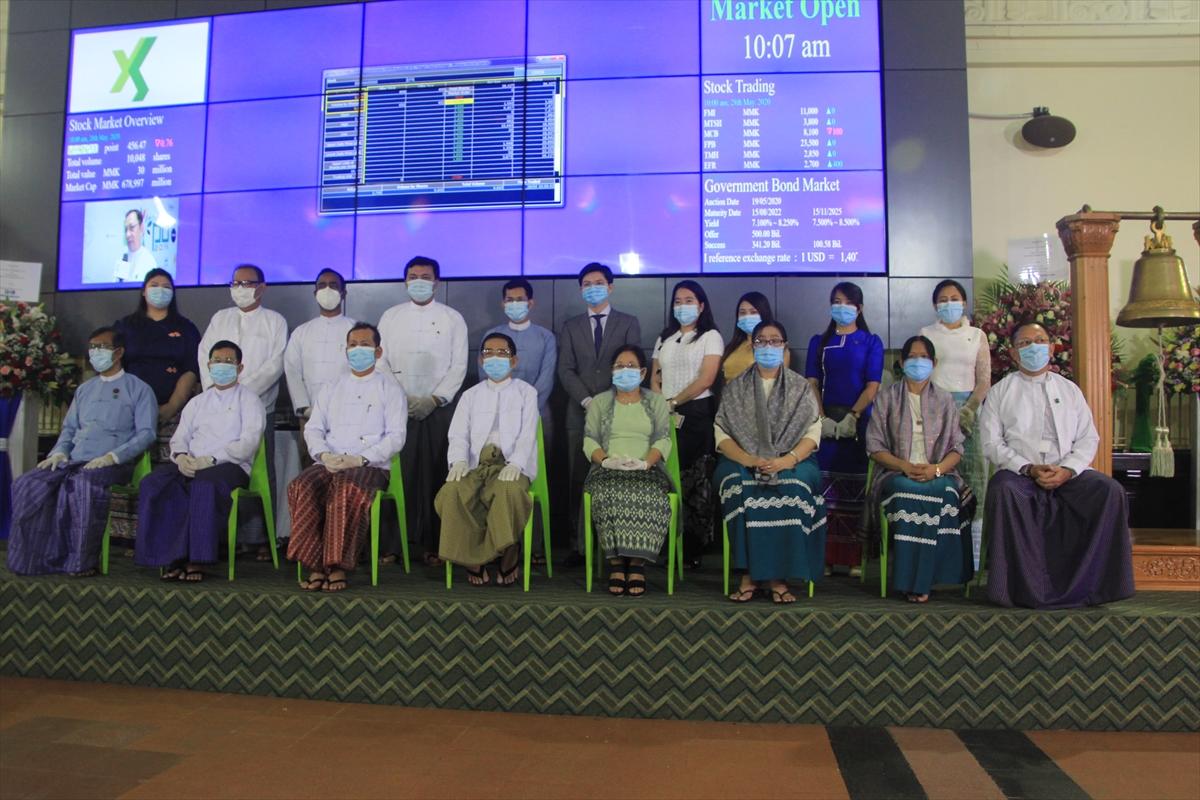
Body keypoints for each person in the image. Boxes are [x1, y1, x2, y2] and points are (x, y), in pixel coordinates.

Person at [978, 321, 1134, 609]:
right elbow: (990, 443)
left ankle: (1095, 587)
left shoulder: (1070, 390)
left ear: (1051, 348)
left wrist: (1068, 469)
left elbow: (1088, 437)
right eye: (1025, 343)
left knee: (1109, 491)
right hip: (1021, 474)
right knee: (1004, 492)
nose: (1033, 347)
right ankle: (1017, 590)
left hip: (1068, 473)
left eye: (1040, 341)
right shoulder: (1000, 392)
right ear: (1013, 353)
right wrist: (1028, 468)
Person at [6, 327, 156, 576]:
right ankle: (33, 560)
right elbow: (69, 429)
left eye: (102, 347)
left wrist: (113, 457)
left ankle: (80, 562)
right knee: (28, 483)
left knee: (81, 485)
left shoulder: (138, 389)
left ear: (119, 352)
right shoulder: (84, 389)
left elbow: (147, 433)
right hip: (74, 460)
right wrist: (58, 453)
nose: (96, 352)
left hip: (113, 464)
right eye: (92, 347)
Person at [287, 323, 408, 592]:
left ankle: (337, 567)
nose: (357, 350)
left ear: (378, 352)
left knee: (345, 489)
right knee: (301, 486)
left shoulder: (390, 389)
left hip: (369, 466)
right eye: (353, 345)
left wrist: (360, 459)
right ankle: (315, 564)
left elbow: (396, 437)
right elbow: (314, 428)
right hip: (329, 461)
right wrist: (323, 454)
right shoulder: (332, 386)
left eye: (365, 345)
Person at [134, 341, 265, 582]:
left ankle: (197, 560)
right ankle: (168, 557)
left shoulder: (249, 400)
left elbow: (249, 442)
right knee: (154, 484)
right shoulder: (197, 402)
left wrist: (212, 459)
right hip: (191, 463)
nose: (222, 366)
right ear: (208, 365)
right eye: (217, 361)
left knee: (203, 486)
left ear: (240, 367)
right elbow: (179, 438)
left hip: (230, 465)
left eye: (228, 362)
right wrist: (181, 457)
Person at [715, 321, 825, 604]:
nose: (768, 346)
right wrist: (749, 459)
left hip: (793, 459)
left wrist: (787, 460)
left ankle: (779, 577)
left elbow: (813, 432)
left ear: (784, 346)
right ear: (752, 346)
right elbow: (722, 433)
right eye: (761, 340)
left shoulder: (800, 387)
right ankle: (748, 575)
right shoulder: (735, 388)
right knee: (738, 486)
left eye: (775, 340)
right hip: (742, 459)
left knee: (794, 485)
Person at [865, 335, 975, 603]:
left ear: (934, 363)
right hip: (895, 473)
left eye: (924, 357)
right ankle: (914, 581)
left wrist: (936, 470)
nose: (918, 362)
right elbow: (874, 446)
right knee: (907, 492)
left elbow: (956, 448)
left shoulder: (945, 400)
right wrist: (903, 465)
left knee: (946, 493)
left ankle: (925, 579)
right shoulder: (887, 397)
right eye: (912, 357)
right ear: (902, 362)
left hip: (937, 472)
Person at [378, 255, 468, 566]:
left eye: (426, 277)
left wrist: (435, 398)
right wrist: (402, 398)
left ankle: (436, 545)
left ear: (437, 282)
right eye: (413, 276)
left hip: (439, 408)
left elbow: (459, 364)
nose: (419, 281)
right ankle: (392, 545)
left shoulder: (453, 318)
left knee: (438, 475)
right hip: (398, 407)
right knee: (397, 476)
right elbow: (381, 360)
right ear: (405, 281)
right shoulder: (390, 316)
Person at [197, 263, 287, 560]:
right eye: (236, 283)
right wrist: (218, 390)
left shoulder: (274, 321)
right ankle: (225, 537)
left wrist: (241, 393)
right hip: (218, 410)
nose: (241, 289)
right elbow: (205, 355)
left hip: (258, 408)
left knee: (261, 473)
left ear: (262, 287)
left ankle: (261, 538)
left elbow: (275, 364)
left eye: (247, 283)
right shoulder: (220, 318)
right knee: (218, 469)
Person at [106, 269, 202, 542]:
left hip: (172, 412)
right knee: (128, 467)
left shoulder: (186, 328)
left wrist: (171, 406)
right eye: (154, 284)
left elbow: (190, 370)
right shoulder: (125, 326)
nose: (160, 290)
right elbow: (114, 367)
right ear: (143, 291)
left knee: (167, 472)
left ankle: (164, 535)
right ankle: (126, 537)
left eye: (166, 286)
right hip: (129, 412)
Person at [435, 333, 539, 586]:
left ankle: (509, 549)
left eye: (502, 353)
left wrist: (516, 463)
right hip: (476, 464)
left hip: (510, 463)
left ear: (513, 361)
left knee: (508, 491)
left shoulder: (526, 392)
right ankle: (471, 556)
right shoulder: (470, 395)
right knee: (452, 492)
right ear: (481, 360)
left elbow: (528, 434)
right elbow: (458, 435)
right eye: (488, 353)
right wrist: (459, 461)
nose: (494, 358)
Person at [557, 262, 642, 566]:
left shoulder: (628, 322)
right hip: (578, 414)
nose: (592, 288)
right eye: (587, 284)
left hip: (619, 413)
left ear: (610, 287)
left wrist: (607, 401)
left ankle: (615, 545)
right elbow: (565, 369)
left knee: (614, 477)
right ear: (581, 289)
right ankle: (579, 546)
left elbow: (632, 364)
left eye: (598, 283)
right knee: (577, 479)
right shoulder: (571, 326)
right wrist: (586, 400)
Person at [805, 282, 883, 576]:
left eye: (848, 302)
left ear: (859, 308)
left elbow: (872, 385)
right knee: (825, 490)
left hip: (857, 424)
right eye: (836, 301)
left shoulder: (870, 342)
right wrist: (821, 417)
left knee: (855, 489)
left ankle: (853, 558)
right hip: (825, 424)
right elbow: (812, 382)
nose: (841, 307)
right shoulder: (819, 341)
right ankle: (825, 556)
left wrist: (854, 415)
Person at [583, 345, 673, 597]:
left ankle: (636, 564)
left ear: (643, 372)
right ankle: (615, 563)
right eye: (619, 366)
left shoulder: (656, 402)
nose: (625, 370)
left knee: (653, 497)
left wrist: (646, 463)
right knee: (606, 493)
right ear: (612, 371)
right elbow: (589, 440)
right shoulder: (600, 402)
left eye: (631, 366)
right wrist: (606, 461)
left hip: (647, 470)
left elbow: (663, 438)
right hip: (607, 470)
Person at [919, 279, 990, 565]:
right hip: (934, 410)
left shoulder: (977, 335)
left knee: (974, 479)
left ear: (964, 302)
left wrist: (969, 410)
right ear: (935, 305)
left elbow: (983, 379)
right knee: (938, 477)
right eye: (943, 299)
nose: (949, 304)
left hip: (969, 414)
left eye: (955, 298)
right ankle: (938, 554)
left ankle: (974, 556)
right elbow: (921, 374)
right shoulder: (926, 334)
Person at [652, 279, 723, 565]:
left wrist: (674, 402)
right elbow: (655, 376)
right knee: (665, 477)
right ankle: (664, 542)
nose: (683, 306)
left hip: (696, 414)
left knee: (695, 482)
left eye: (689, 301)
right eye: (678, 301)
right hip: (664, 414)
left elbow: (706, 378)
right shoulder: (665, 337)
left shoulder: (710, 336)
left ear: (701, 305)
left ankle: (693, 549)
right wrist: (662, 404)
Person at [283, 269, 355, 463]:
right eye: (322, 286)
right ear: (315, 293)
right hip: (310, 414)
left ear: (343, 293)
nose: (327, 289)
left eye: (333, 285)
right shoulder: (301, 332)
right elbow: (292, 370)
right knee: (311, 465)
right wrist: (304, 408)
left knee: (346, 466)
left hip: (350, 413)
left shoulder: (355, 330)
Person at [477, 278, 556, 422]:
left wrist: (528, 406)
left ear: (530, 303)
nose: (514, 304)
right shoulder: (491, 336)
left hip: (536, 411)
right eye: (509, 300)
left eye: (519, 300)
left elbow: (546, 378)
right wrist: (503, 406)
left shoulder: (545, 337)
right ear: (503, 304)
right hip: (497, 410)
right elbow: (484, 375)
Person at [720, 291, 790, 382]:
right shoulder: (734, 345)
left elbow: (779, 382)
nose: (747, 317)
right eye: (742, 313)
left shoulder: (776, 346)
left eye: (753, 312)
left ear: (764, 314)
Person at [113, 209, 157, 283]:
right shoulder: (122, 257)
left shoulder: (149, 261)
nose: (128, 234)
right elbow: (116, 284)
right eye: (126, 229)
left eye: (132, 227)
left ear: (141, 228)